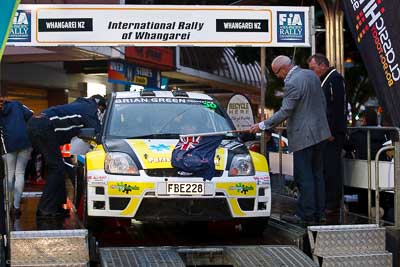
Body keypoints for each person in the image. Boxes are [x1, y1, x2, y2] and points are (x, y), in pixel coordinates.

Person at [250, 55, 331, 224]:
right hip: (321, 133)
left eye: (277, 73)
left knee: (303, 176)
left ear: (284, 68)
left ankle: (305, 215)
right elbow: (322, 102)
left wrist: (263, 125)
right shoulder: (311, 75)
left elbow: (286, 111)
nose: (278, 77)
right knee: (318, 174)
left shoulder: (293, 82)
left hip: (304, 136)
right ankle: (319, 213)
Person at [27, 95, 106, 218]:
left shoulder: (80, 105)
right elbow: (99, 134)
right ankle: (45, 209)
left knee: (59, 168)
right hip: (43, 127)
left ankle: (57, 206)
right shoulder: (90, 109)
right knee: (57, 168)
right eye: (101, 110)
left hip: (37, 124)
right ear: (100, 107)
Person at [308, 54, 347, 213]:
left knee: (331, 168)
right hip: (325, 132)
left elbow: (337, 107)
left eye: (313, 68)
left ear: (323, 65)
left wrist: (331, 130)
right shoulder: (324, 80)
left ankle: (333, 202)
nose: (312, 71)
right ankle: (326, 201)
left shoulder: (335, 79)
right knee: (324, 167)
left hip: (332, 133)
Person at [0, 97, 33, 218]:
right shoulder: (17, 104)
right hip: (25, 142)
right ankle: (16, 206)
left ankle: (6, 206)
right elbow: (31, 114)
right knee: (20, 174)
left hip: (8, 144)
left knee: (9, 174)